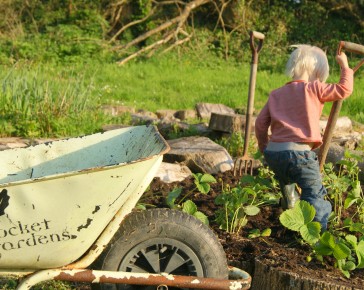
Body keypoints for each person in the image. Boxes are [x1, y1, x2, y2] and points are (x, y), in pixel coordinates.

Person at [254, 44, 354, 231]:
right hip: (300, 154)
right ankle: (316, 233)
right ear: (317, 72)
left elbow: (260, 123)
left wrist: (264, 147)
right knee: (314, 194)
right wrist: (345, 67)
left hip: (274, 153)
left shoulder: (276, 94)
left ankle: (290, 200)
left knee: (286, 175)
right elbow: (343, 90)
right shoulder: (314, 88)